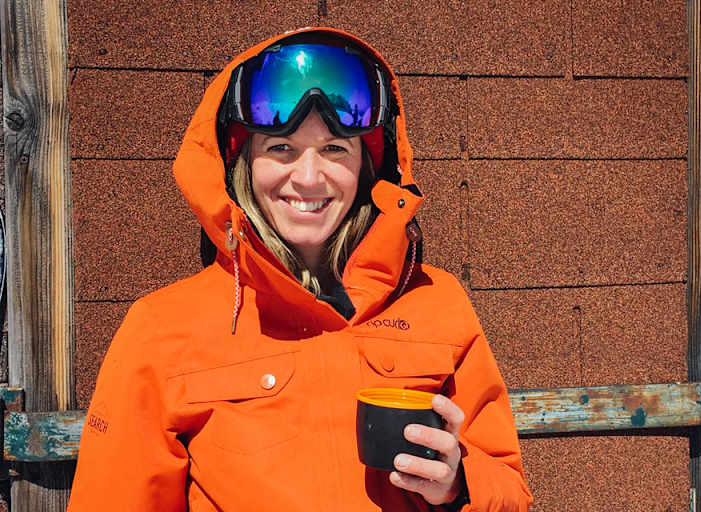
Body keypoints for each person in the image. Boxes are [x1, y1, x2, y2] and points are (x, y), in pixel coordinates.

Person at [67, 27, 533, 511]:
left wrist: (460, 486)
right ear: (243, 163)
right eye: (281, 148)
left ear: (367, 166)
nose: (309, 178)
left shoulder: (437, 301)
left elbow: (507, 486)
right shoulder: (161, 328)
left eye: (335, 148)